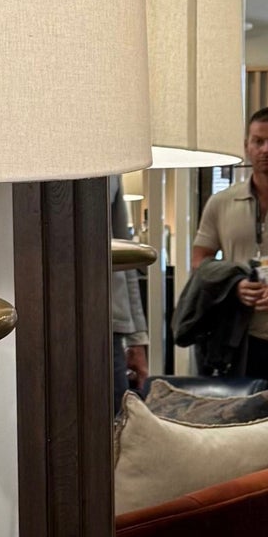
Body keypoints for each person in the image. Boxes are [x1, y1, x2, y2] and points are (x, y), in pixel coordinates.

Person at [191, 107, 268, 413]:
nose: (266, 150)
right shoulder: (221, 203)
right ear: (246, 145)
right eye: (258, 141)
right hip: (237, 339)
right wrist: (232, 286)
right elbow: (199, 261)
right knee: (239, 433)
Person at [111, 175, 148, 410]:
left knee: (115, 426)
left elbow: (126, 256)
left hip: (109, 327)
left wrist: (137, 339)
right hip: (42, 322)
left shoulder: (111, 170)